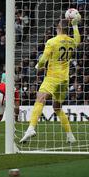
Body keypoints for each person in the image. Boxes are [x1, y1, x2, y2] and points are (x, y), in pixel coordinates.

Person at [19, 15, 81, 144]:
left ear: (58, 27)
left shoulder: (52, 41)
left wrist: (39, 66)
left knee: (40, 98)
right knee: (57, 107)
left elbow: (43, 59)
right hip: (64, 80)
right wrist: (75, 25)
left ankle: (31, 128)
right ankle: (70, 136)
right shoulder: (71, 41)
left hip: (52, 77)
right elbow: (78, 41)